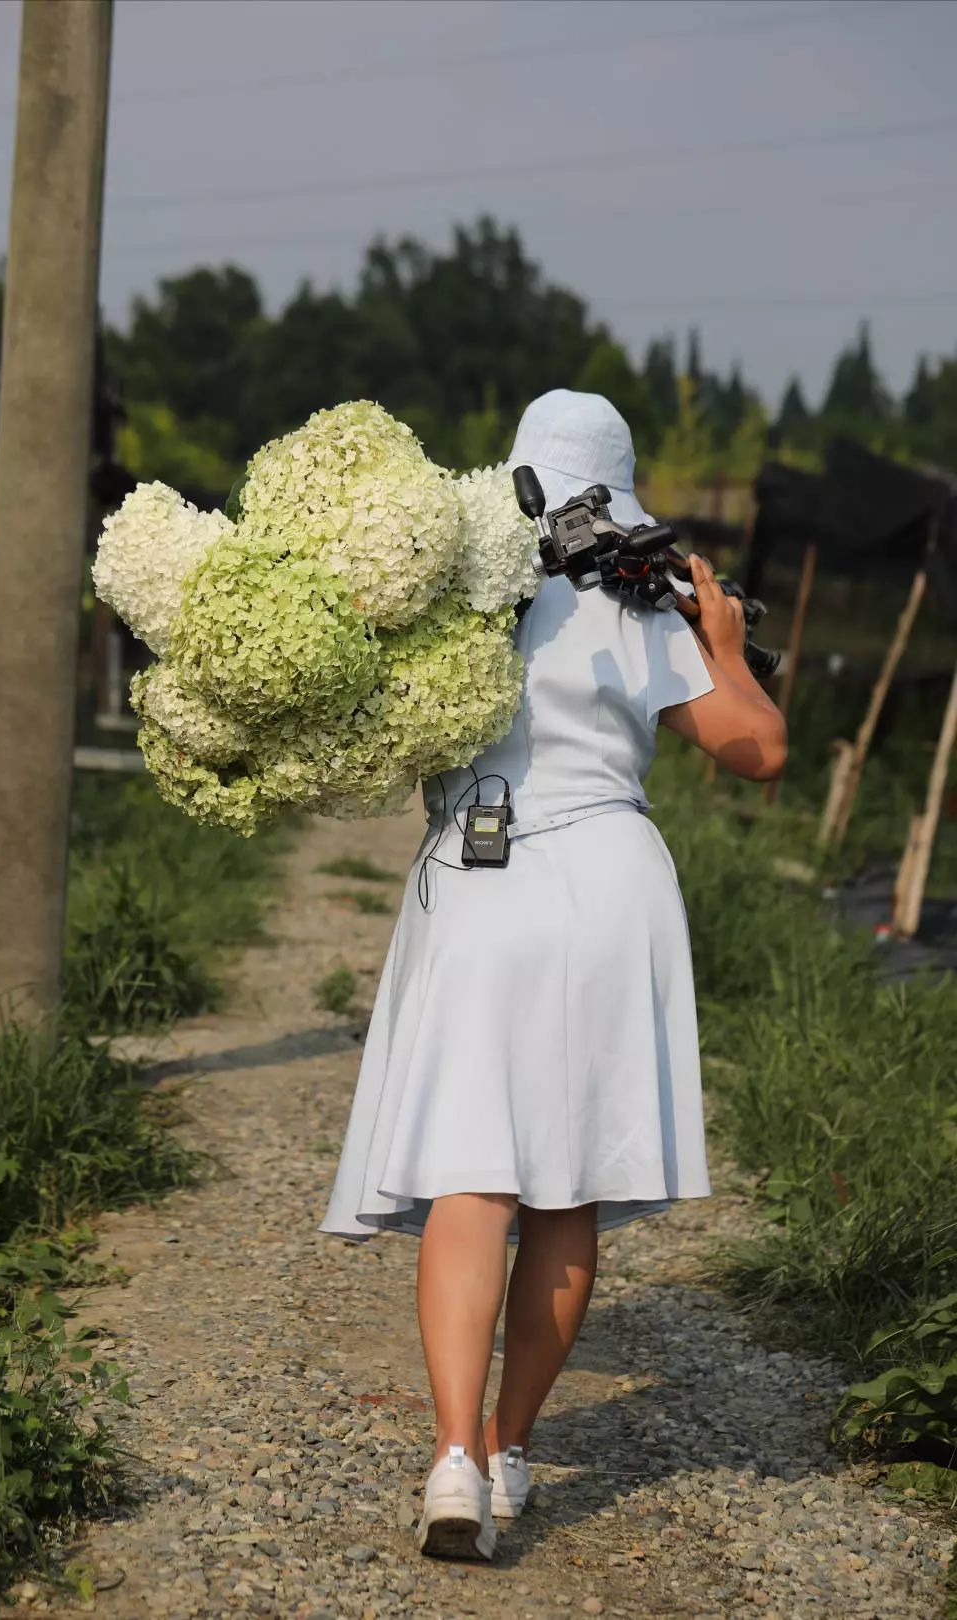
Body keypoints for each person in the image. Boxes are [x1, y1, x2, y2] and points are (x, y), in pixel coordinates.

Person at [317, 389, 787, 1562]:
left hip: (483, 881)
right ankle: (514, 1445)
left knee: (472, 1180)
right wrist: (723, 646)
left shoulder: (458, 592)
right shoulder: (646, 595)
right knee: (565, 1193)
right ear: (621, 488)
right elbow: (760, 750)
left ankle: (453, 1459)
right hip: (609, 884)